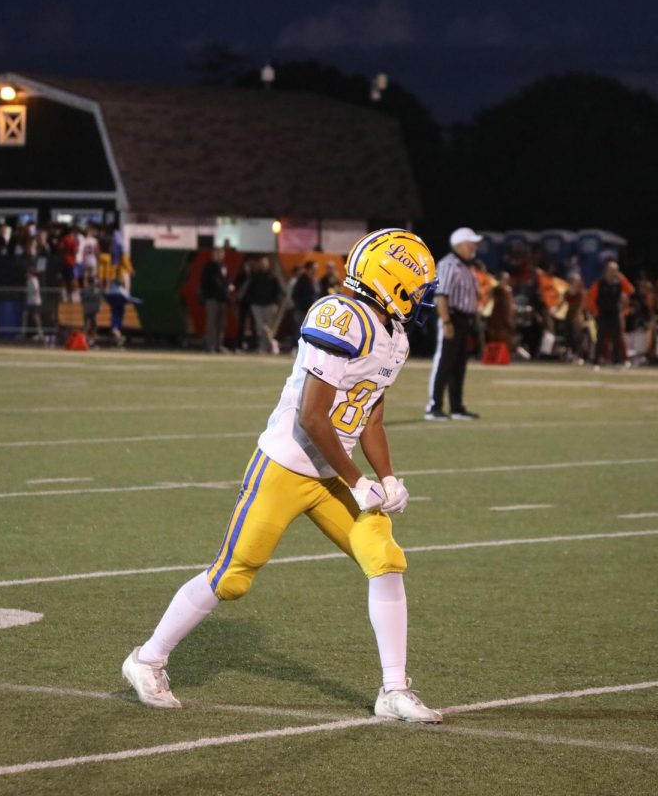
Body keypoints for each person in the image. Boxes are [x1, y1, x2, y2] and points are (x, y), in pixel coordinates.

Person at [122, 228, 443, 724]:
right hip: (288, 465)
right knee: (232, 576)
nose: (423, 298)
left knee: (384, 558)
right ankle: (146, 659)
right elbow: (313, 418)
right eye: (418, 286)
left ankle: (394, 689)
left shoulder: (394, 335)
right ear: (392, 282)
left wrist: (388, 475)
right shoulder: (340, 318)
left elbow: (370, 413)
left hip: (335, 471)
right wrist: (359, 481)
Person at [426, 227, 482, 420]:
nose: (474, 246)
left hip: (464, 320)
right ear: (460, 245)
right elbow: (441, 295)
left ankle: (456, 407)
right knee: (444, 362)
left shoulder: (467, 267)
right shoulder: (449, 265)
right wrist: (447, 322)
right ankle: (434, 406)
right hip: (451, 317)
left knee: (459, 365)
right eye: (471, 243)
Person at [588, 260, 632, 367]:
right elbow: (591, 299)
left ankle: (617, 361)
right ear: (606, 270)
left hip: (615, 314)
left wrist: (622, 278)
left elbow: (630, 290)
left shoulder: (619, 283)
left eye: (615, 270)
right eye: (612, 270)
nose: (614, 272)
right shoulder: (599, 283)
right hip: (602, 314)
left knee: (617, 338)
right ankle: (596, 361)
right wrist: (595, 312)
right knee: (600, 338)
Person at [246, 256, 284, 354]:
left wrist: (275, 302)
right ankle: (271, 343)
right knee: (261, 326)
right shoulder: (255, 276)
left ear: (268, 264)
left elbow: (279, 291)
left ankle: (266, 347)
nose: (263, 265)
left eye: (264, 263)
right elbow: (250, 290)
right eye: (261, 263)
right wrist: (252, 301)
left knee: (268, 327)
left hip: (269, 305)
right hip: (257, 305)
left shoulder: (272, 276)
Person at [199, 247, 233, 353]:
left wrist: (228, 287)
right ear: (213, 254)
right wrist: (224, 288)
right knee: (211, 323)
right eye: (218, 253)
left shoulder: (223, 266)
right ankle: (210, 346)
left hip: (222, 299)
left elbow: (226, 280)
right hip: (212, 298)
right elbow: (211, 282)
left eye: (222, 253)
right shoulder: (209, 267)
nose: (220, 255)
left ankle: (219, 345)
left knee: (221, 324)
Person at [23, 265, 45, 341]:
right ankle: (23, 332)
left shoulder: (34, 280)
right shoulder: (28, 281)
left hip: (35, 302)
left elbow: (36, 290)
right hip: (30, 302)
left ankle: (40, 334)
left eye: (28, 273)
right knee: (25, 315)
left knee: (36, 318)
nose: (27, 274)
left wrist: (34, 294)